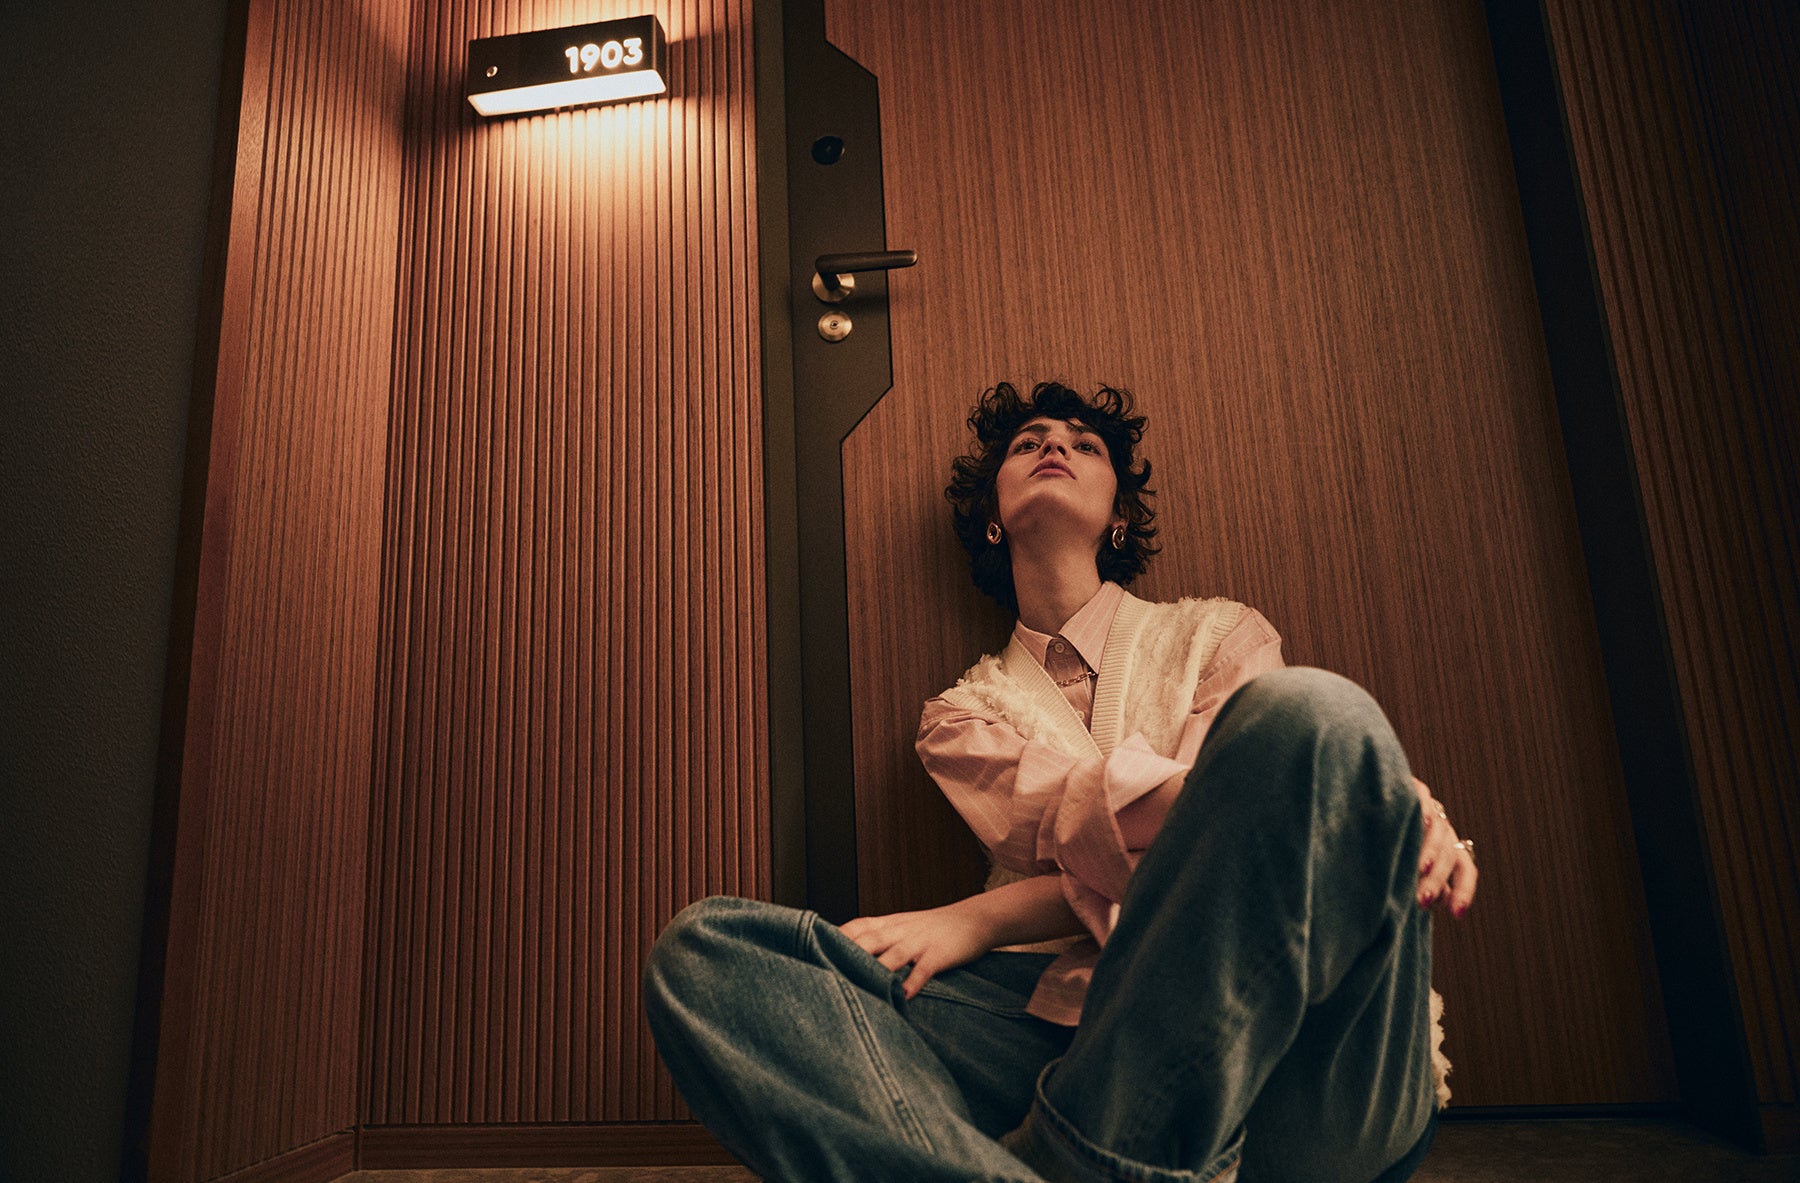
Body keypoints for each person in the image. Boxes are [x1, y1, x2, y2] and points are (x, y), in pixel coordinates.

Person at [643, 381, 1480, 1182]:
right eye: (1029, 444)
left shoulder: (1223, 636)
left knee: (1321, 712)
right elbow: (1234, 829)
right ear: (993, 517)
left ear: (1119, 517)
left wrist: (980, 917)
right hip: (1063, 1045)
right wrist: (1338, 803)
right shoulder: (962, 717)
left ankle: (1063, 1159)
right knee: (706, 954)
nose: (1055, 446)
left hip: (1295, 1067)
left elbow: (1238, 861)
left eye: (1085, 445)